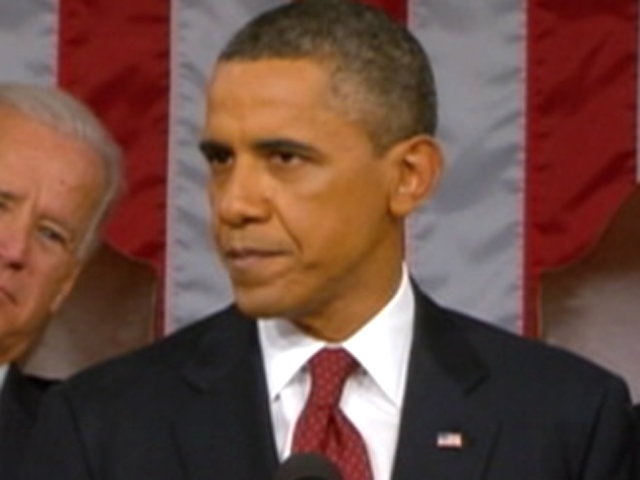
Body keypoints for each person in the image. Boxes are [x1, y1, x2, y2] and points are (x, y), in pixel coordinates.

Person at [23, 1, 636, 479]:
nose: (234, 204)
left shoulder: (568, 419)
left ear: (409, 176)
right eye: (221, 159)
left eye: (284, 158)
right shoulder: (100, 423)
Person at [0, 82, 123, 479]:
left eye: (50, 234)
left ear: (66, 283)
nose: (15, 250)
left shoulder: (87, 455)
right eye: (0, 205)